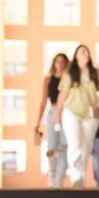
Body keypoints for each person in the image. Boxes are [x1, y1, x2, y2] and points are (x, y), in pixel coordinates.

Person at [56, 44, 99, 188]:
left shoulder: (95, 73)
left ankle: (81, 175)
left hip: (91, 114)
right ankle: (76, 176)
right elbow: (62, 94)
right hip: (71, 112)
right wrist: (57, 115)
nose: (86, 54)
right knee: (75, 143)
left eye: (87, 52)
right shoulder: (69, 73)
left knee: (86, 146)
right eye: (82, 52)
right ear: (76, 55)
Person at [36, 53, 70, 187]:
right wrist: (38, 122)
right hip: (52, 113)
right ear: (54, 63)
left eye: (63, 62)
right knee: (51, 147)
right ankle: (52, 173)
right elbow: (44, 100)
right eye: (57, 61)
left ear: (66, 64)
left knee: (64, 147)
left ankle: (59, 180)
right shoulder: (48, 80)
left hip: (66, 114)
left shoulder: (69, 79)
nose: (60, 64)